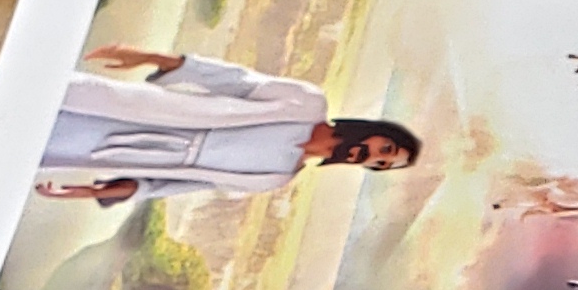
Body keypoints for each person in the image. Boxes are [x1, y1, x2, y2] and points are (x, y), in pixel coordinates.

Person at [34, 40, 421, 202]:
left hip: (117, 156)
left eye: (380, 164)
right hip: (141, 113)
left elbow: (174, 185)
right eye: (383, 149)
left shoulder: (274, 178)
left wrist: (94, 192)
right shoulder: (305, 102)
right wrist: (148, 56)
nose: (371, 157)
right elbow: (230, 80)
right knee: (45, 98)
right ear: (375, 132)